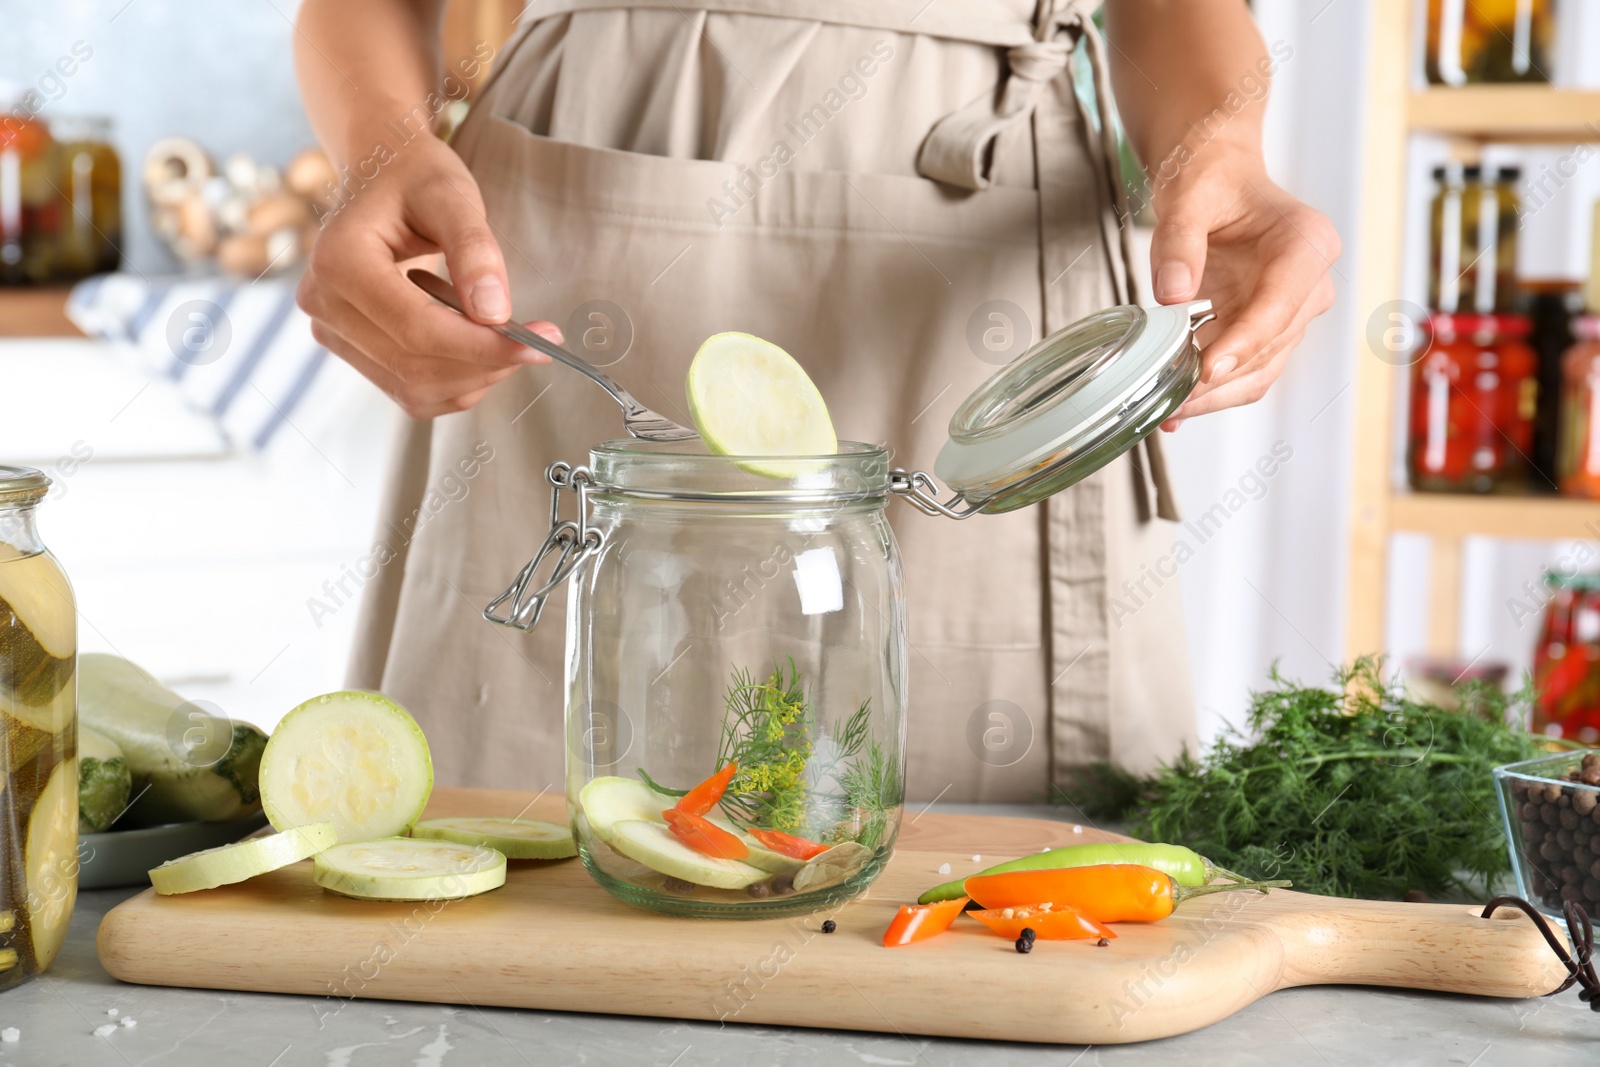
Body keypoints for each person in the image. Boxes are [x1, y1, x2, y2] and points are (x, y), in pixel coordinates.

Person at [292, 0, 1338, 802]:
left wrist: (1222, 150)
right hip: (570, 209)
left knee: (1014, 924)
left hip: (984, 233)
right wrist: (378, 158)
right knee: (506, 924)